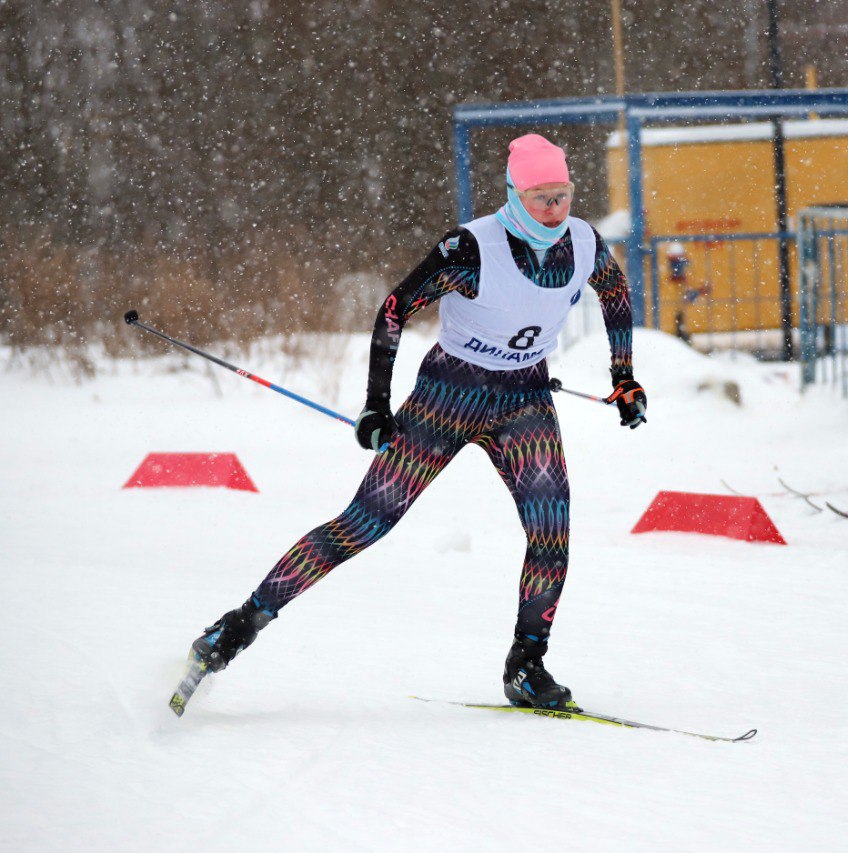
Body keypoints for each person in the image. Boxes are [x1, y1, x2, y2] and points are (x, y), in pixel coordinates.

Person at [186, 134, 647, 710]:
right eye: (540, 198)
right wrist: (376, 402)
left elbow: (615, 291)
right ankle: (236, 627)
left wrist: (623, 376)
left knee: (551, 534)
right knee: (365, 524)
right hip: (447, 397)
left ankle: (526, 666)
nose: (555, 210)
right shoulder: (471, 248)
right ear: (513, 194)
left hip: (525, 399)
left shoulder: (584, 242)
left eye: (563, 195)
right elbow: (395, 308)